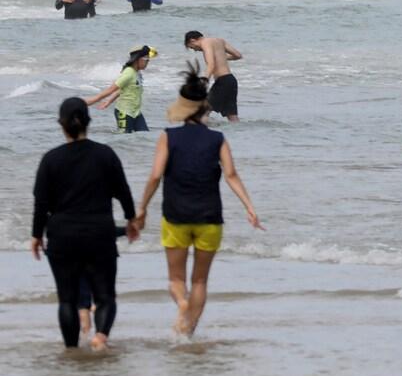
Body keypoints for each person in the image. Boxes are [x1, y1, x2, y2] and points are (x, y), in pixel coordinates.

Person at [134, 68, 262, 339]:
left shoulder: (168, 136)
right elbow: (231, 175)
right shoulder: (217, 139)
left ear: (182, 108)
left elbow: (155, 175)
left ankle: (183, 306)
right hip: (210, 218)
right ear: (204, 106)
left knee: (176, 280)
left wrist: (142, 209)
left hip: (176, 216)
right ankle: (187, 332)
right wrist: (249, 207)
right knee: (200, 281)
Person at [30, 97, 139, 350]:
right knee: (105, 296)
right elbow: (123, 192)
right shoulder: (105, 155)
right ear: (88, 122)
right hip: (99, 233)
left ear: (62, 124)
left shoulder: (51, 159)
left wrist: (36, 235)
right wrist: (131, 220)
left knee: (67, 299)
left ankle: (71, 350)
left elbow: (41, 204)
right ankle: (100, 337)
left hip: (62, 236)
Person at [86, 45, 156, 133]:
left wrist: (109, 101)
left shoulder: (137, 73)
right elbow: (111, 89)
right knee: (125, 137)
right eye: (146, 60)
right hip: (124, 113)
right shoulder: (128, 73)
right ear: (137, 59)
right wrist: (93, 100)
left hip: (136, 113)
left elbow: (123, 89)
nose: (148, 62)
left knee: (144, 135)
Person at [184, 31, 242, 122]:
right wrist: (220, 56)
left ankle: (201, 130)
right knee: (231, 115)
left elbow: (211, 65)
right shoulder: (220, 41)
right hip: (231, 80)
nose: (195, 50)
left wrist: (204, 81)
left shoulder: (205, 43)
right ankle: (239, 130)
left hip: (223, 81)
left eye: (192, 47)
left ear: (192, 40)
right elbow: (238, 55)